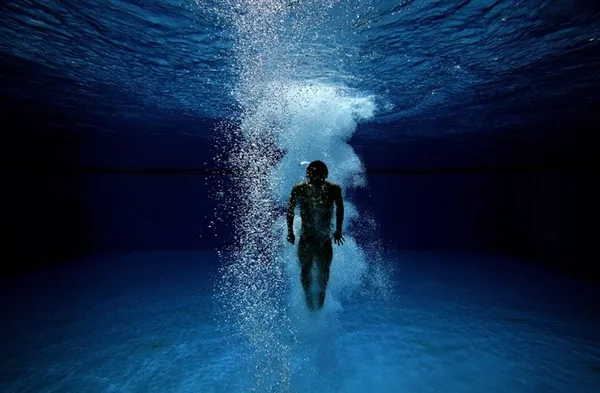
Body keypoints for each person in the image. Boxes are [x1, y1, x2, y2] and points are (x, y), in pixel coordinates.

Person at [286, 160, 344, 311]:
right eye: (313, 174)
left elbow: (340, 209)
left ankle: (320, 306)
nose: (317, 178)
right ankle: (309, 305)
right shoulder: (299, 188)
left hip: (324, 240)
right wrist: (290, 231)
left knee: (324, 272)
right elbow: (290, 210)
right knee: (306, 270)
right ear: (308, 175)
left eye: (320, 175)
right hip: (306, 238)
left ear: (325, 175)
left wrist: (338, 230)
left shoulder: (333, 189)